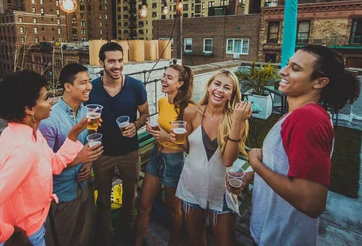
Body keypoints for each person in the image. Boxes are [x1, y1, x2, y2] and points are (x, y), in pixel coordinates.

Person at [0, 70, 91, 246]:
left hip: (37, 227)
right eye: (46, 97)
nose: (51, 102)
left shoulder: (27, 133)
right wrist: (10, 232)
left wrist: (73, 135)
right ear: (29, 108)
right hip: (28, 237)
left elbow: (54, 165)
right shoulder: (24, 150)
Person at [244, 45, 360, 245]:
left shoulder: (307, 119)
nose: (283, 71)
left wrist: (256, 165)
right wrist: (250, 175)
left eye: (295, 69)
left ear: (320, 82)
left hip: (281, 238)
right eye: (288, 64)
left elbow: (311, 202)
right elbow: (286, 165)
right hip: (272, 232)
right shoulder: (299, 115)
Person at [175, 69, 252, 246]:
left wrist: (239, 122)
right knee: (195, 240)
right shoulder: (191, 112)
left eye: (227, 87)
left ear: (231, 94)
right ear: (209, 86)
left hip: (220, 190)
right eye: (217, 84)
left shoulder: (236, 119)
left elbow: (228, 161)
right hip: (192, 186)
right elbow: (188, 149)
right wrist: (179, 142)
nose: (220, 90)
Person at [89, 42, 150, 245]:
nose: (117, 66)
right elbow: (81, 116)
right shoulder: (92, 88)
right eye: (111, 61)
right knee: (104, 200)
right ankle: (105, 237)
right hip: (102, 153)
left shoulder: (135, 86)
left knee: (130, 196)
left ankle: (126, 231)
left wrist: (135, 125)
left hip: (129, 153)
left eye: (120, 60)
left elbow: (145, 114)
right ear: (102, 63)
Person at [39, 63, 103, 246]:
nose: (89, 86)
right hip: (62, 195)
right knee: (63, 240)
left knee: (79, 236)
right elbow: (44, 168)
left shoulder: (85, 112)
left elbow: (84, 146)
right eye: (83, 83)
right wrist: (79, 159)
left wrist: (88, 162)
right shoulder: (49, 120)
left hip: (83, 188)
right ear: (68, 87)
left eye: (89, 82)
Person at [134, 64, 196, 246]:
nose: (163, 79)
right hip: (155, 156)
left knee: (173, 211)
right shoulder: (162, 102)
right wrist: (154, 130)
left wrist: (167, 136)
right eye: (164, 75)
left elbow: (191, 148)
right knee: (144, 206)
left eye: (169, 77)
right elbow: (164, 127)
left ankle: (174, 241)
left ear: (180, 83)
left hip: (174, 161)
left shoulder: (190, 110)